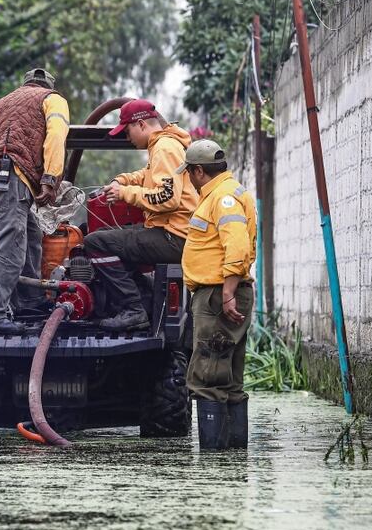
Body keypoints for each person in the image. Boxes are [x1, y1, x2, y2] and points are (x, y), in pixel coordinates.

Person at [0, 68, 71, 336]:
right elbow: (55, 137)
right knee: (13, 242)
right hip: (12, 175)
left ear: (25, 84)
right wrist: (51, 178)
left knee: (30, 233)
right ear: (47, 85)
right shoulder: (52, 99)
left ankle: (29, 301)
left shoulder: (3, 103)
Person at [85, 99, 199, 331]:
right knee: (108, 237)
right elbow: (148, 175)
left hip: (174, 237)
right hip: (173, 232)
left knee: (94, 242)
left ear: (142, 125)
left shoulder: (165, 148)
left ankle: (133, 309)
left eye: (127, 132)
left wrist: (125, 193)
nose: (128, 138)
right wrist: (122, 180)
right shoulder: (164, 145)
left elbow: (168, 198)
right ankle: (145, 299)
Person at [175, 139, 258, 449]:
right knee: (229, 379)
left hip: (217, 296)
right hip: (224, 292)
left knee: (208, 376)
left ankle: (215, 460)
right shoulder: (230, 192)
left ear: (198, 171)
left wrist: (227, 294)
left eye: (190, 174)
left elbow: (235, 245)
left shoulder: (221, 198)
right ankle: (233, 457)